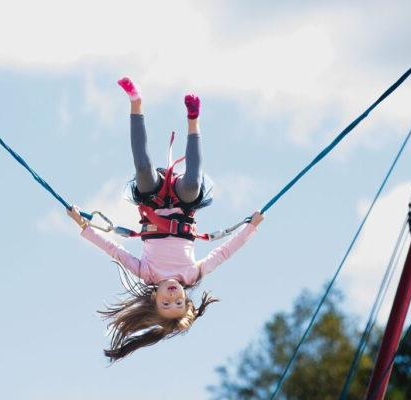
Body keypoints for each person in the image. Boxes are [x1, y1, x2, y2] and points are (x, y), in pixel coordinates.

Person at [67, 77, 264, 361]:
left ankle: (136, 103)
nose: (172, 295)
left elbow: (114, 250)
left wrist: (84, 226)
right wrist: (250, 227)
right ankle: (193, 120)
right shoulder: (192, 274)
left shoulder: (147, 273)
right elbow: (225, 252)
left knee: (143, 170)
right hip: (184, 206)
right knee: (193, 184)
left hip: (153, 202)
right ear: (186, 297)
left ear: (154, 298)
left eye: (166, 302)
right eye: (178, 301)